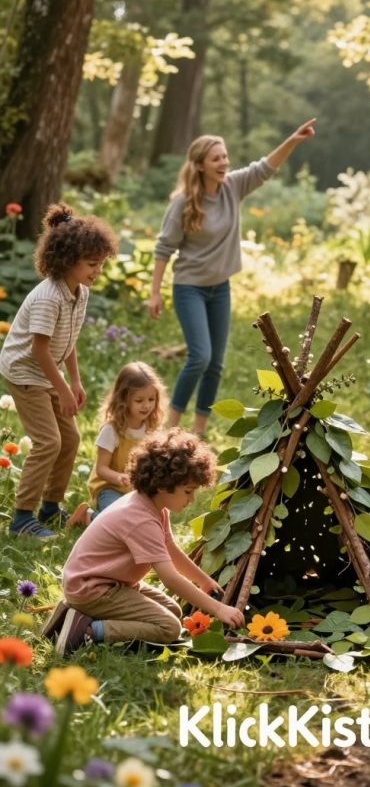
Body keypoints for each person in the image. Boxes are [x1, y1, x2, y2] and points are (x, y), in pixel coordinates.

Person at [148, 121, 316, 437]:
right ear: (199, 165)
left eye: (225, 157)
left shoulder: (233, 187)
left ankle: (197, 431)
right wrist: (154, 293)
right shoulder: (183, 202)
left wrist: (292, 140)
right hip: (189, 288)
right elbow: (164, 248)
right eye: (216, 159)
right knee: (200, 357)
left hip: (220, 288)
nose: (224, 163)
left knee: (216, 364)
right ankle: (170, 427)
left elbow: (264, 168)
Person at [44, 428, 245, 654]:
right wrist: (218, 609)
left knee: (173, 609)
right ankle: (86, 631)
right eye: (188, 491)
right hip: (93, 589)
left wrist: (203, 580)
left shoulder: (153, 505)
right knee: (169, 627)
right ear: (162, 486)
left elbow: (169, 549)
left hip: (103, 583)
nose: (192, 499)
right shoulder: (141, 519)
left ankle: (72, 616)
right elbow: (169, 578)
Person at [0, 203, 118, 538]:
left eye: (101, 264)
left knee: (71, 439)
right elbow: (38, 349)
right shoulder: (48, 297)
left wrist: (75, 380)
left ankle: (50, 507)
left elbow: (68, 340)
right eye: (92, 264)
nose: (97, 271)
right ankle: (22, 517)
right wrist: (63, 388)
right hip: (24, 372)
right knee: (48, 441)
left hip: (46, 370)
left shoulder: (80, 293)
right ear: (68, 261)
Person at [67, 362, 168, 526]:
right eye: (139, 400)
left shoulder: (151, 427)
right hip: (109, 488)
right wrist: (119, 477)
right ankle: (87, 516)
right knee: (116, 521)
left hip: (137, 491)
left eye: (151, 399)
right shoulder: (112, 430)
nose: (146, 405)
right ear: (124, 399)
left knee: (146, 522)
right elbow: (101, 469)